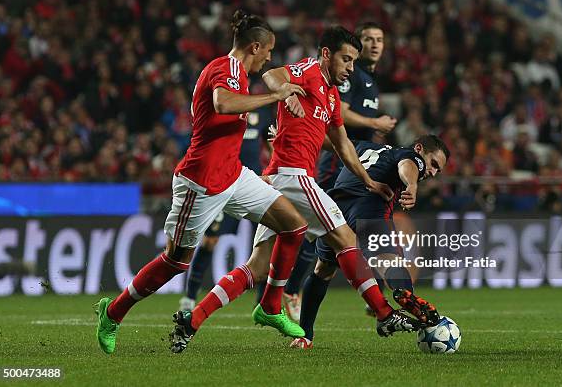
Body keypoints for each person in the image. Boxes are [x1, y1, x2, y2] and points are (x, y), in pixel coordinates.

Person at [169, 26, 420, 354]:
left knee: (257, 266)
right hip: (292, 177)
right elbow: (272, 74)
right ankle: (384, 313)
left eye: (353, 61)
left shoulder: (331, 95)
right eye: (345, 59)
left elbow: (343, 144)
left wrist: (369, 181)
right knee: (344, 238)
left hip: (279, 182)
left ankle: (193, 319)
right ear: (327, 54)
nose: (349, 67)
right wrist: (286, 91)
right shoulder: (310, 71)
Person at [95, 10, 309, 354]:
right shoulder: (224, 69)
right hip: (202, 183)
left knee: (294, 226)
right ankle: (113, 313)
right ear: (255, 47)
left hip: (234, 175)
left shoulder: (239, 74)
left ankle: (270, 307)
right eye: (268, 51)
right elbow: (222, 103)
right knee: (175, 262)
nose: (270, 58)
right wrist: (276, 95)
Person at [280, 22, 396, 321]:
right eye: (368, 38)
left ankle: (282, 297)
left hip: (357, 165)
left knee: (339, 234)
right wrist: (374, 125)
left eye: (379, 39)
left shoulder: (366, 77)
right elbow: (339, 117)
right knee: (328, 234)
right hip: (337, 169)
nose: (374, 44)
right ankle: (292, 291)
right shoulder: (344, 77)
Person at [291, 135, 450, 349]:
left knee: (323, 270)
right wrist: (411, 185)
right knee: (389, 262)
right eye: (433, 164)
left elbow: (328, 141)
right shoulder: (408, 155)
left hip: (334, 208)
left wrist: (291, 139)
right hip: (369, 206)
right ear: (420, 148)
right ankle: (402, 299)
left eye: (438, 171)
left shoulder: (362, 144)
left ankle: (304, 336)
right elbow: (409, 164)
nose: (432, 172)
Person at [179, 105, 273, 311]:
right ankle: (190, 296)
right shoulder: (223, 108)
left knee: (268, 237)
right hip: (224, 182)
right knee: (210, 241)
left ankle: (263, 301)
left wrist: (273, 167)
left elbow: (270, 141)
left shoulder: (261, 112)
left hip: (252, 184)